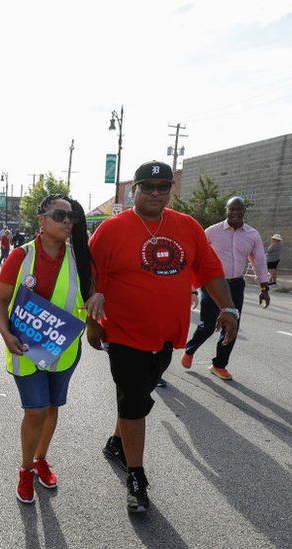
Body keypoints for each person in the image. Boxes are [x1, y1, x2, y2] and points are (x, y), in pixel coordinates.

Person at [87, 160, 238, 514]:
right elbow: (91, 277)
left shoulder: (187, 227)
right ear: (134, 190)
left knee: (137, 394)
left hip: (167, 334)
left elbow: (210, 270)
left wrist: (228, 309)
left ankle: (115, 441)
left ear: (170, 190)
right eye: (148, 187)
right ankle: (137, 478)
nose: (156, 193)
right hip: (123, 332)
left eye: (163, 187)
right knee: (135, 400)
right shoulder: (111, 230)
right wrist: (92, 321)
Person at [0, 195, 95, 504]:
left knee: (51, 408)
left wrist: (97, 298)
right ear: (42, 220)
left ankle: (41, 459)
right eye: (59, 215)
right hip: (24, 349)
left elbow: (92, 295)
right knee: (35, 410)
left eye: (71, 217)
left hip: (63, 351)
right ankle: (26, 469)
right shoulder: (21, 257)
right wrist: (5, 334)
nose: (67, 221)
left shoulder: (81, 260)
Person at [181, 197, 270, 381]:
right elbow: (196, 260)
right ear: (226, 210)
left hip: (236, 285)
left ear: (244, 211)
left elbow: (259, 261)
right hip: (212, 284)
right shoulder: (212, 232)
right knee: (207, 326)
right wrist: (192, 288)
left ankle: (219, 365)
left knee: (231, 326)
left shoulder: (252, 235)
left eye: (239, 209)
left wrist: (264, 287)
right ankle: (190, 350)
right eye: (232, 209)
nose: (236, 213)